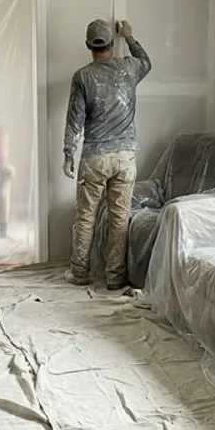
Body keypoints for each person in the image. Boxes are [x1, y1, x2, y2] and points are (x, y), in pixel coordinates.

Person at [63, 18, 152, 290]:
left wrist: (68, 154)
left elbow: (75, 120)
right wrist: (129, 36)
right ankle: (115, 277)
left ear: (88, 45)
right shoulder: (129, 68)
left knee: (86, 217)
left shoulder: (82, 77)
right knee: (119, 218)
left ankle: (79, 272)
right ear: (112, 43)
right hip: (125, 157)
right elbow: (146, 61)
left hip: (95, 157)